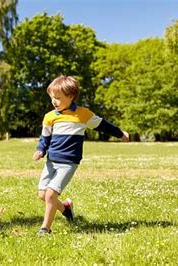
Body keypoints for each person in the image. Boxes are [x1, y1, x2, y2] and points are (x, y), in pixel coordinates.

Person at [33, 75, 129, 236]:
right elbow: (45, 138)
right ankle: (66, 209)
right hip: (51, 162)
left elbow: (104, 125)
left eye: (57, 98)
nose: (53, 101)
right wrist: (41, 150)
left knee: (50, 194)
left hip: (69, 162)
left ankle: (45, 229)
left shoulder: (83, 114)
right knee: (43, 195)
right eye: (51, 97)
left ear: (71, 97)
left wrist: (120, 134)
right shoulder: (49, 117)